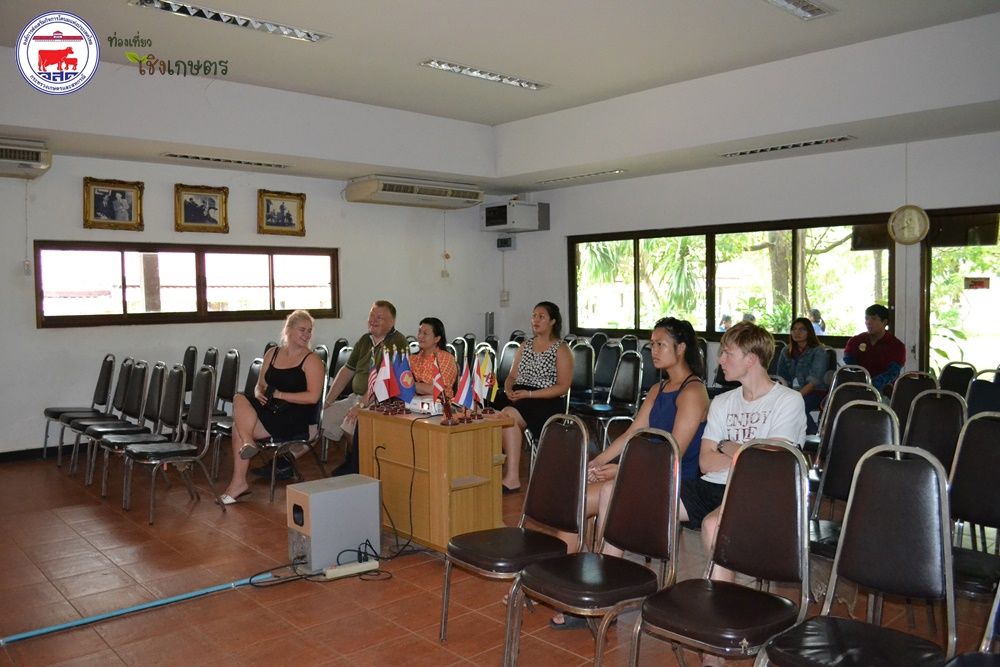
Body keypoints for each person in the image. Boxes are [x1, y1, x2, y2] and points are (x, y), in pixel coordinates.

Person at [550, 317, 709, 630]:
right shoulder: (658, 388)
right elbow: (632, 432)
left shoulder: (693, 392)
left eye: (661, 344)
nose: (654, 350)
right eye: (652, 344)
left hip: (674, 481)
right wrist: (596, 463)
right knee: (577, 501)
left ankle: (598, 593)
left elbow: (673, 453)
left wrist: (621, 470)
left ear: (681, 348)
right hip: (646, 472)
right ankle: (569, 585)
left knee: (608, 495)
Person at [688, 320, 806, 665]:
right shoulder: (723, 401)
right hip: (714, 485)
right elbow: (706, 462)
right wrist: (746, 451)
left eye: (728, 353)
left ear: (751, 359)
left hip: (763, 492)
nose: (720, 359)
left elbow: (770, 463)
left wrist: (728, 446)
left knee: (714, 526)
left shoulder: (788, 401)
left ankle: (718, 632)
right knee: (639, 500)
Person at [220, 310, 325, 504]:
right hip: (271, 408)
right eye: (302, 330)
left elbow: (313, 397)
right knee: (239, 398)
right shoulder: (273, 353)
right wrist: (258, 392)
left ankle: (239, 482)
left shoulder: (312, 360)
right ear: (288, 329)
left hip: (294, 416)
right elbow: (260, 384)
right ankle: (247, 443)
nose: (307, 335)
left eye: (309, 331)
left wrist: (279, 395)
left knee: (237, 427)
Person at [492, 302, 572, 493]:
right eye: (534, 316)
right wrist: (509, 389)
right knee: (487, 410)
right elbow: (512, 376)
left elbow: (563, 386)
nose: (535, 320)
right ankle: (489, 469)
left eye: (541, 316)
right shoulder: (525, 346)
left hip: (545, 400)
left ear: (552, 321)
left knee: (508, 415)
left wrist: (529, 394)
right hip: (520, 395)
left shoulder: (561, 349)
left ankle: (512, 477)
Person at [322, 300, 409, 476]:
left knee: (351, 422)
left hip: (380, 400)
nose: (373, 320)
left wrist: (360, 405)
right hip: (355, 397)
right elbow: (346, 371)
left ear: (392, 322)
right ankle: (355, 460)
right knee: (322, 418)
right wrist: (328, 401)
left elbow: (384, 381)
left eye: (379, 317)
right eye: (371, 316)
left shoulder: (397, 342)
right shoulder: (364, 340)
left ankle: (359, 465)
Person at [775, 317, 829, 435]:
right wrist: (784, 395)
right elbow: (782, 377)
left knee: (796, 406)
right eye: (794, 329)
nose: (797, 332)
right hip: (792, 391)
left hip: (816, 391)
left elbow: (814, 382)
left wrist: (795, 397)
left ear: (809, 332)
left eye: (802, 329)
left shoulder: (819, 351)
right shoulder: (786, 351)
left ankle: (814, 438)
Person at [842, 303, 905, 393]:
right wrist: (861, 381)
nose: (869, 322)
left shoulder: (896, 345)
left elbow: (892, 373)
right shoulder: (855, 341)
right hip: (856, 386)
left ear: (884, 322)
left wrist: (872, 385)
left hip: (883, 390)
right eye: (867, 318)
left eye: (874, 319)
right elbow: (850, 364)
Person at [409, 317, 458, 398]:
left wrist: (410, 385)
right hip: (414, 403)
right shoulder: (412, 359)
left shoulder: (445, 358)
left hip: (439, 403)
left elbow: (438, 389)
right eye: (419, 332)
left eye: (425, 333)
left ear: (437, 339)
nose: (420, 336)